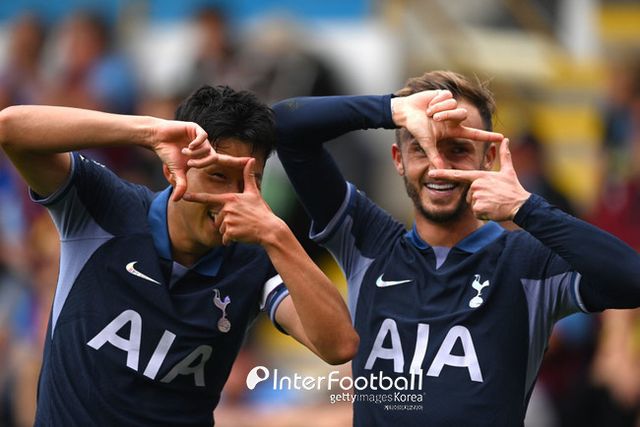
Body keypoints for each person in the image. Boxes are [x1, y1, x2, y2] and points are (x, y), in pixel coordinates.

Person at [272, 71, 640, 426]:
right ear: (398, 159)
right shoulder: (368, 240)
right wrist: (391, 109)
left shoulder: (527, 261)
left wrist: (526, 208)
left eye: (458, 149)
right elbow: (285, 124)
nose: (439, 166)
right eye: (421, 147)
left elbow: (632, 280)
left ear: (488, 159)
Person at [0, 84, 358, 426]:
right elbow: (11, 128)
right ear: (173, 169)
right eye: (218, 175)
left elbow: (339, 345)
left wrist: (277, 234)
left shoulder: (254, 260)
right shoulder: (105, 207)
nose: (234, 199)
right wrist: (148, 131)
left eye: (252, 181)